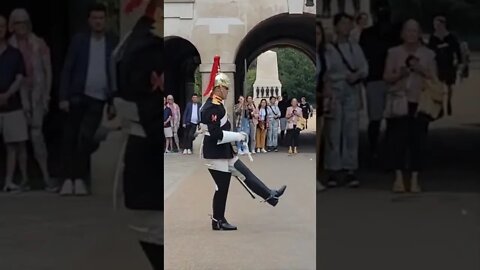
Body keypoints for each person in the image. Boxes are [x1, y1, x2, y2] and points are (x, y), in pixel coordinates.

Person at [200, 56, 286, 231]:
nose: (227, 92)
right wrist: (237, 136)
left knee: (246, 174)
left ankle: (270, 195)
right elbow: (216, 134)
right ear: (218, 88)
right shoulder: (211, 108)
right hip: (215, 154)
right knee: (221, 188)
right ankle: (218, 220)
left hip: (224, 152)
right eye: (225, 88)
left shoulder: (217, 105)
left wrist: (235, 138)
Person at [115, 0, 164, 267]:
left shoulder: (137, 43)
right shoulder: (147, 48)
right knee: (155, 233)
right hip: (150, 154)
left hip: (146, 150)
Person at [58, 3, 118, 196]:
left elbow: (114, 72)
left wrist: (112, 100)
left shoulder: (111, 42)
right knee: (70, 137)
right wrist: (63, 96)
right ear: (89, 21)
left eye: (101, 18)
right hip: (77, 95)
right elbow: (68, 68)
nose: (98, 21)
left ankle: (80, 178)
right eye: (95, 18)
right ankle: (68, 179)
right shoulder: (80, 40)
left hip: (99, 98)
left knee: (85, 139)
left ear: (106, 20)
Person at [384, 19, 436, 193]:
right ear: (402, 33)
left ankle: (415, 178)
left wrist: (421, 69)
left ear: (420, 33)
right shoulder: (393, 52)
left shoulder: (428, 54)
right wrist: (400, 74)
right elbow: (386, 77)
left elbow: (433, 78)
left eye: (415, 31)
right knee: (397, 141)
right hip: (400, 101)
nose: (411, 34)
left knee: (419, 142)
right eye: (408, 30)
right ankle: (398, 178)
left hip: (420, 103)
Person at [8, 8, 57, 192]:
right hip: (18, 93)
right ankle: (24, 179)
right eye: (18, 22)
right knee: (19, 138)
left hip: (37, 91)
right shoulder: (9, 46)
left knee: (36, 133)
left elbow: (48, 70)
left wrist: (47, 94)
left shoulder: (39, 43)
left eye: (24, 22)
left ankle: (46, 176)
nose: (22, 26)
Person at [324, 13, 368, 188]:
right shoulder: (328, 48)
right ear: (336, 26)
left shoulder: (355, 47)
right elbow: (325, 70)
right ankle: (333, 169)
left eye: (349, 24)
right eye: (343, 24)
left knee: (351, 131)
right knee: (334, 132)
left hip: (351, 91)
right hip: (335, 91)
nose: (346, 27)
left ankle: (350, 169)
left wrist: (356, 75)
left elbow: (365, 67)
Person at [359, 2, 400, 164]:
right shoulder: (391, 34)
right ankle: (377, 148)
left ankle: (378, 148)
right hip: (377, 79)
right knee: (380, 118)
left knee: (385, 118)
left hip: (380, 79)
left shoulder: (370, 34)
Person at [0, 15, 29, 192]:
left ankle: (9, 181)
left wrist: (7, 94)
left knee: (12, 145)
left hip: (12, 105)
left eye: (2, 26)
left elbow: (20, 77)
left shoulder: (15, 53)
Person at [427, 14, 462, 116]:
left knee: (449, 85)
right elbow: (430, 50)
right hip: (438, 64)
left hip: (449, 63)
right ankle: (441, 106)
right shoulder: (433, 37)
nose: (436, 26)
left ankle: (449, 102)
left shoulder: (451, 37)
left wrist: (458, 61)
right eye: (435, 24)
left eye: (438, 24)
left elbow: (457, 49)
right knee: (439, 86)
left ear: (443, 24)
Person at [316, 19, 327, 192]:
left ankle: (318, 174)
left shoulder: (323, 55)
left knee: (320, 141)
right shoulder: (319, 55)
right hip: (318, 95)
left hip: (322, 98)